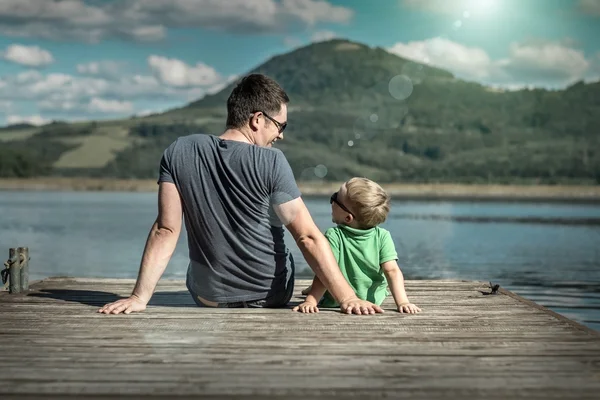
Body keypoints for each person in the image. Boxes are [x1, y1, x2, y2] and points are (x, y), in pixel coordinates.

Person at [98, 74, 383, 315]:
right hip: (271, 295)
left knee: (196, 269)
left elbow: (166, 229)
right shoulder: (272, 162)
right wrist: (347, 297)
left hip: (208, 297)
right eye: (280, 126)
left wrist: (139, 297)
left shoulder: (179, 151)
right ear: (258, 119)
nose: (281, 135)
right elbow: (306, 237)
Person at [293, 177, 421, 314]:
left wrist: (311, 301)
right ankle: (312, 289)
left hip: (336, 300)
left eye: (334, 198)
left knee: (324, 273)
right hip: (373, 301)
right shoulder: (382, 236)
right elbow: (392, 271)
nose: (331, 202)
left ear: (348, 218)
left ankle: (313, 291)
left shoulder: (334, 236)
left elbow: (324, 272)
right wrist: (403, 302)